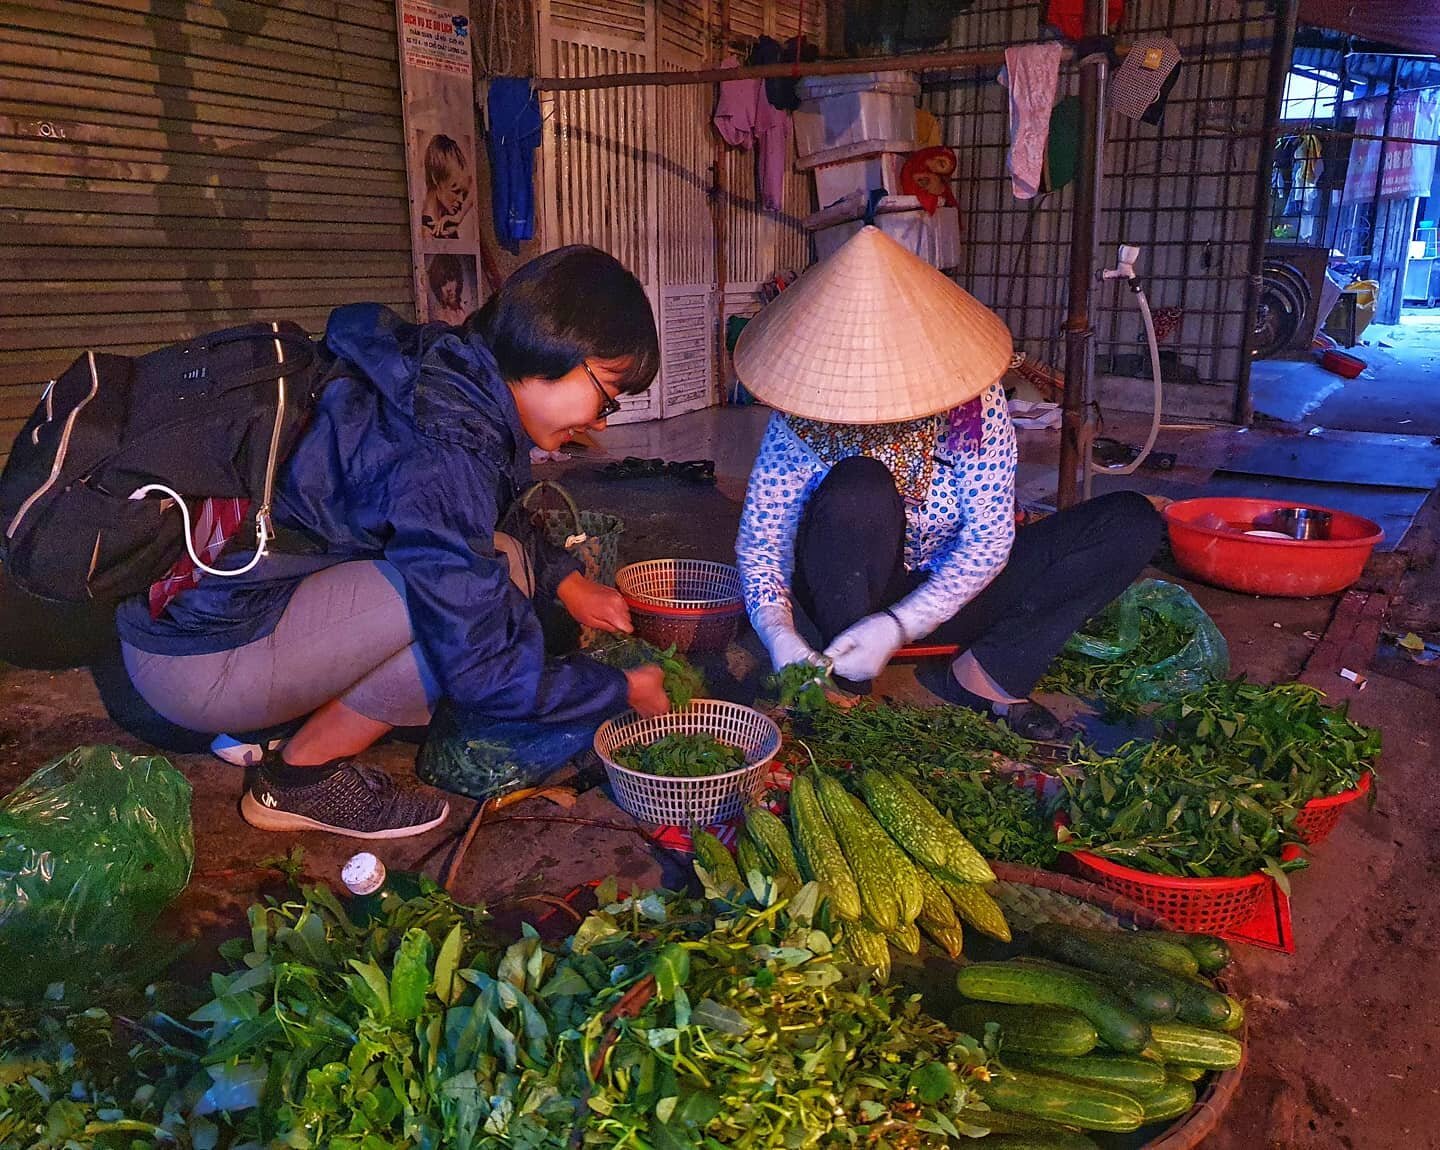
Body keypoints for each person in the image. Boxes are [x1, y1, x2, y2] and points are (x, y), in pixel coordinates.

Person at [115, 246, 671, 838]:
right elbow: (482, 666)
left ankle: (261, 720)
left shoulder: (443, 372)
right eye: (606, 397)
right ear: (550, 350)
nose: (603, 422)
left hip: (198, 610)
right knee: (461, 618)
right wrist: (618, 688)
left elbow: (480, 514)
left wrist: (566, 578)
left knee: (493, 567)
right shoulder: (445, 442)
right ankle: (299, 780)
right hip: (194, 666)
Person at [733, 227, 1162, 739]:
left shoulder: (972, 409)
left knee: (1131, 522)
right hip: (846, 595)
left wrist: (902, 625)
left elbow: (988, 540)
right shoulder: (802, 420)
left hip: (955, 592)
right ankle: (842, 685)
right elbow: (763, 545)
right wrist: (779, 634)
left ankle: (992, 673)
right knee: (859, 486)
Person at [421, 133, 475, 239]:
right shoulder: (427, 233)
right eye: (455, 191)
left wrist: (458, 217)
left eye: (463, 194)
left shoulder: (446, 224)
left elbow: (472, 183)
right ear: (436, 180)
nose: (460, 200)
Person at [427, 254, 470, 325]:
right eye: (443, 284)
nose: (448, 288)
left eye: (451, 279)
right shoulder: (439, 318)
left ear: (458, 279)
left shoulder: (467, 310)